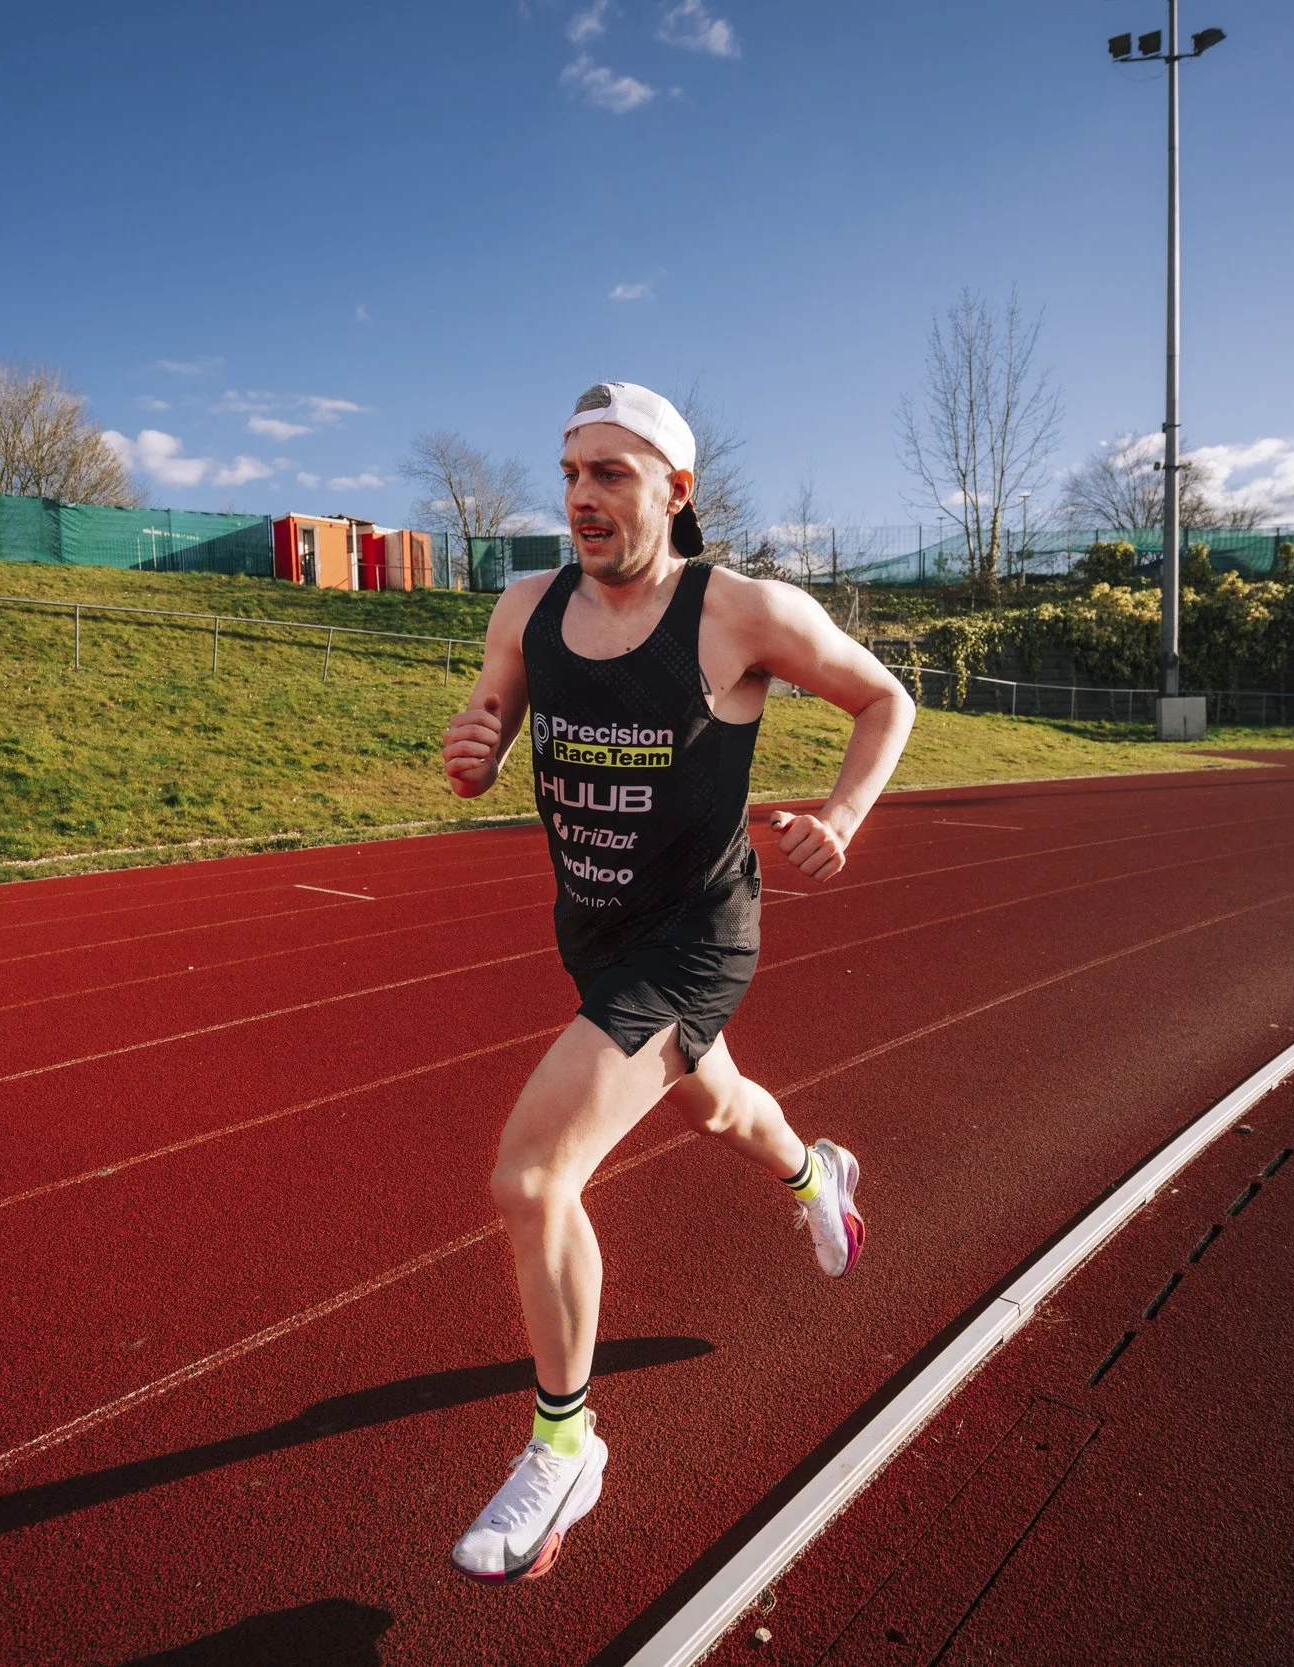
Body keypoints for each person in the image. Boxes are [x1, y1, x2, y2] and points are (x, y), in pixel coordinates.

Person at [441, 382, 916, 1583]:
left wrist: (843, 816)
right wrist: (479, 740)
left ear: (675, 488)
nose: (582, 498)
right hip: (593, 933)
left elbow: (884, 698)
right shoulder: (526, 604)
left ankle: (567, 1444)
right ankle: (820, 1174)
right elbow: (496, 706)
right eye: (569, 472)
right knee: (717, 1102)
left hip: (695, 940)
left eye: (609, 472)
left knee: (532, 1172)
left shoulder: (739, 611)